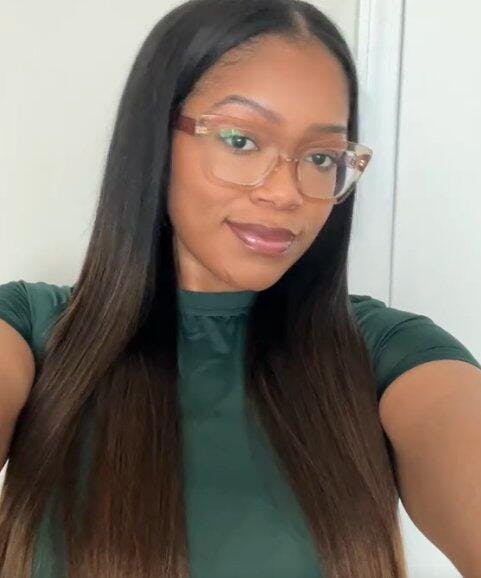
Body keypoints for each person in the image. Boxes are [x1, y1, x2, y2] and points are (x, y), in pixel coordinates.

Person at [0, 0, 479, 577]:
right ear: (155, 140)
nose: (286, 193)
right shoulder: (29, 331)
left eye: (321, 156)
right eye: (241, 140)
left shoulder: (388, 354)